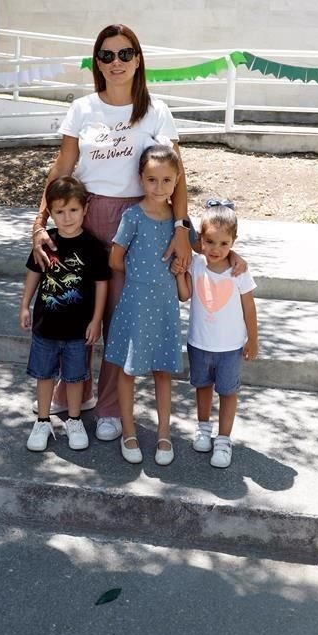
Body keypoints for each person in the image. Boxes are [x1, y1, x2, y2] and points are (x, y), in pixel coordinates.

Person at [31, 24, 192, 443]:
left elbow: (178, 175)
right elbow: (63, 167)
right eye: (106, 55)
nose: (115, 63)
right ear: (96, 62)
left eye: (124, 54)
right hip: (82, 218)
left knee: (119, 319)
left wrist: (180, 227)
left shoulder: (156, 111)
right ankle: (74, 397)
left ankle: (108, 410)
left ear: (138, 59)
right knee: (78, 310)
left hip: (137, 222)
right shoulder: (82, 108)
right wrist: (39, 223)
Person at [105, 145, 184, 466]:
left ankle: (164, 433)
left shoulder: (180, 224)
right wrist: (142, 275)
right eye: (152, 179)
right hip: (136, 302)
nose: (159, 187)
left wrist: (234, 258)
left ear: (177, 181)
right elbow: (115, 258)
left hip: (165, 305)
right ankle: (129, 431)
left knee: (162, 370)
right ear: (141, 179)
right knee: (128, 369)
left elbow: (202, 250)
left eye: (167, 180)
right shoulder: (133, 216)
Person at [20, 176, 110, 453]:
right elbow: (34, 275)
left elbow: (101, 284)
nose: (67, 217)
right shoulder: (46, 242)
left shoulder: (93, 246)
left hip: (77, 329)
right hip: (46, 326)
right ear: (52, 213)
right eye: (59, 211)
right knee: (44, 375)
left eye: (73, 210)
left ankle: (74, 420)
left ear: (85, 209)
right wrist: (24, 305)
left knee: (74, 377)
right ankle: (43, 420)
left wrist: (96, 320)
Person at [176, 199, 258, 469]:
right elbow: (185, 296)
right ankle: (203, 428)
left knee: (228, 391)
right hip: (199, 342)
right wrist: (179, 274)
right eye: (210, 242)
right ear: (200, 239)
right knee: (202, 387)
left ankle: (224, 439)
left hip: (230, 347)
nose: (216, 249)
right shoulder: (196, 264)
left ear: (234, 242)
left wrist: (253, 339)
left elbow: (249, 306)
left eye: (224, 244)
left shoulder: (238, 271)